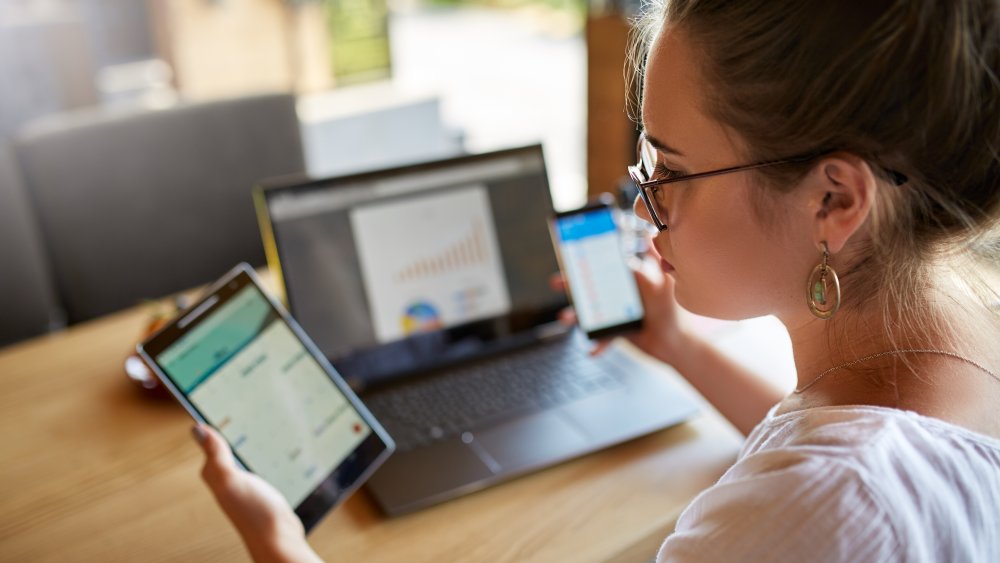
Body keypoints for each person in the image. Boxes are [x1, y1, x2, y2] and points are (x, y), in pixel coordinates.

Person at [192, 0, 1000, 560]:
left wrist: (278, 543)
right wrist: (678, 347)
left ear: (834, 200)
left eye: (672, 167)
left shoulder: (821, 508)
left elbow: (833, 492)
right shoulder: (961, 333)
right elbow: (847, 452)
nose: (646, 207)